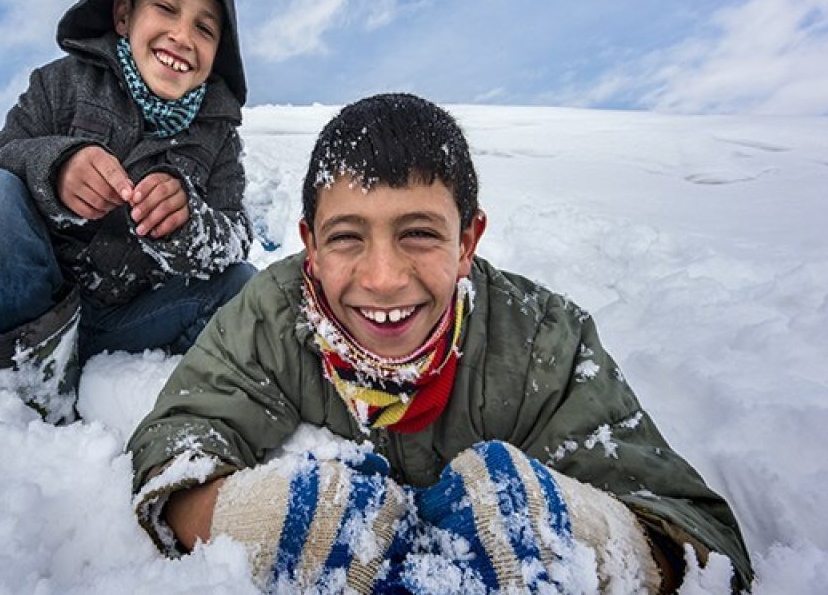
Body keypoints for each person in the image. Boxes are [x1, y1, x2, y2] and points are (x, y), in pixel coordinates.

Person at [126, 94, 753, 593]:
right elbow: (176, 448)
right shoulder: (270, 313)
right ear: (310, 245)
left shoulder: (543, 340)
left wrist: (577, 536)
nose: (383, 278)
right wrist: (267, 519)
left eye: (419, 234)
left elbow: (702, 545)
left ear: (468, 241)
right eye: (346, 237)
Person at [0, 0, 255, 426]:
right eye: (166, 8)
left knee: (245, 290)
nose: (183, 36)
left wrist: (189, 223)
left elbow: (236, 239)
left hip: (134, 323)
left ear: (215, 58)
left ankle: (167, 395)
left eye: (205, 29)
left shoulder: (220, 138)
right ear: (123, 16)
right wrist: (55, 169)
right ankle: (41, 398)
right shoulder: (60, 84)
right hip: (36, 311)